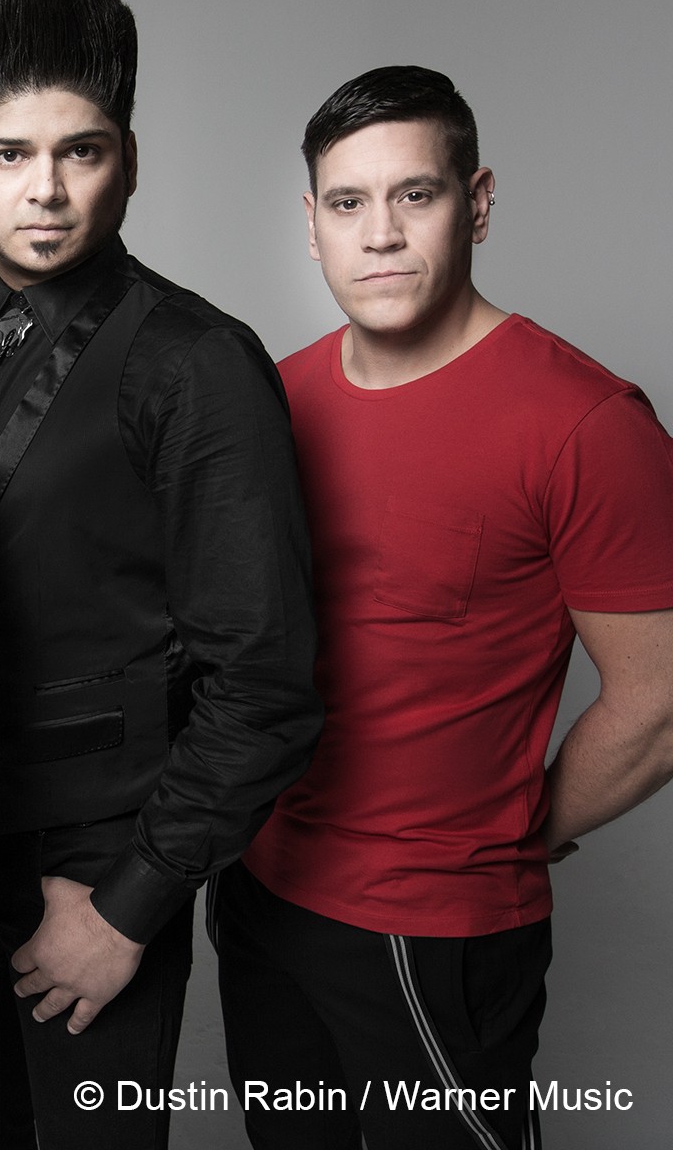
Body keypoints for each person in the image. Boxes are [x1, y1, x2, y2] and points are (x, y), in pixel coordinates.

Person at [0, 0, 323, 1148]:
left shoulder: (200, 363)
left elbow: (265, 683)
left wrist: (131, 904)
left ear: (130, 161)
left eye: (81, 151)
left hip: (102, 860)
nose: (46, 189)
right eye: (10, 154)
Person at [212, 64, 673, 1150]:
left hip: (431, 929)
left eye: (414, 194)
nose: (379, 233)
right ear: (313, 225)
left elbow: (659, 705)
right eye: (348, 202)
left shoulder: (586, 422)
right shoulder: (273, 397)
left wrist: (514, 829)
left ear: (478, 201)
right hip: (260, 891)